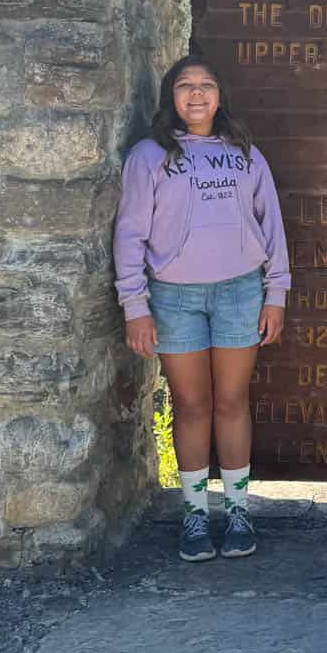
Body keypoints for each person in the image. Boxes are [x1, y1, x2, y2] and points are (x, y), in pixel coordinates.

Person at [113, 55, 290, 561]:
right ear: (170, 96)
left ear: (220, 96)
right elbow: (130, 234)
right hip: (174, 298)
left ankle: (237, 512)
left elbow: (271, 225)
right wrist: (134, 306)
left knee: (231, 402)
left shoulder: (245, 155)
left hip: (239, 291)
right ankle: (194, 515)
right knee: (190, 406)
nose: (196, 95)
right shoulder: (149, 157)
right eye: (185, 86)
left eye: (206, 86)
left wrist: (275, 292)